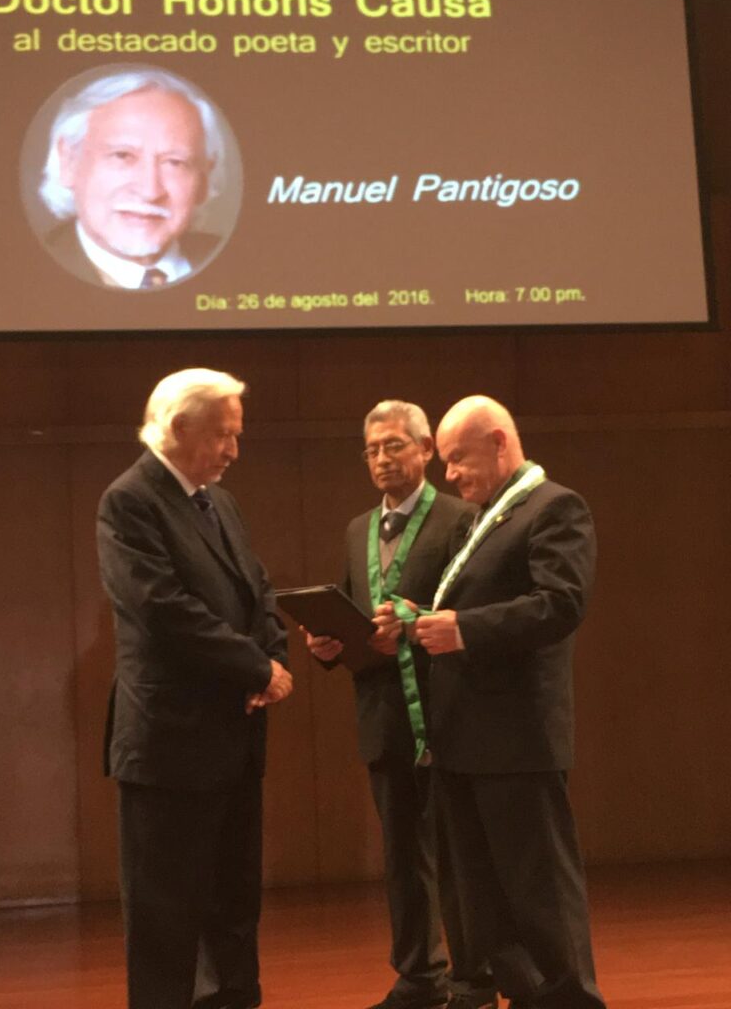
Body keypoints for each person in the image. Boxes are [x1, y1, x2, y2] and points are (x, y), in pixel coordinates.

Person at [375, 395, 606, 1009]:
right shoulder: (482, 518)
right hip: (464, 741)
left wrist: (466, 629)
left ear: (500, 442)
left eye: (457, 459)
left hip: (516, 741)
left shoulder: (554, 508)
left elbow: (561, 604)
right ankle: (528, 997)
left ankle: (571, 1000)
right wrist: (420, 621)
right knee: (482, 901)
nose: (448, 474)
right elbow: (472, 604)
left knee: (540, 891)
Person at [97, 368, 292, 1009]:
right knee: (165, 916)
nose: (234, 450)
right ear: (179, 428)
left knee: (234, 902)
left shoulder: (219, 501)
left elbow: (256, 588)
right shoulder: (129, 501)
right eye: (224, 435)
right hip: (169, 748)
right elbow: (164, 609)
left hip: (234, 737)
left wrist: (272, 656)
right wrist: (255, 669)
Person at [307, 400, 475, 1009]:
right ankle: (419, 978)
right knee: (403, 857)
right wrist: (326, 643)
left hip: (447, 712)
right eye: (372, 449)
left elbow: (470, 614)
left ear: (426, 449)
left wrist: (412, 626)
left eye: (395, 445)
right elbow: (353, 614)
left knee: (457, 854)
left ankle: (472, 977)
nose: (382, 458)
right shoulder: (357, 529)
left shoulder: (460, 519)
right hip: (382, 715)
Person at [39, 69, 228, 288]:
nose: (150, 191)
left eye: (174, 162)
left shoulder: (241, 264)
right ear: (69, 161)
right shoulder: (26, 271)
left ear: (204, 178)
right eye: (123, 156)